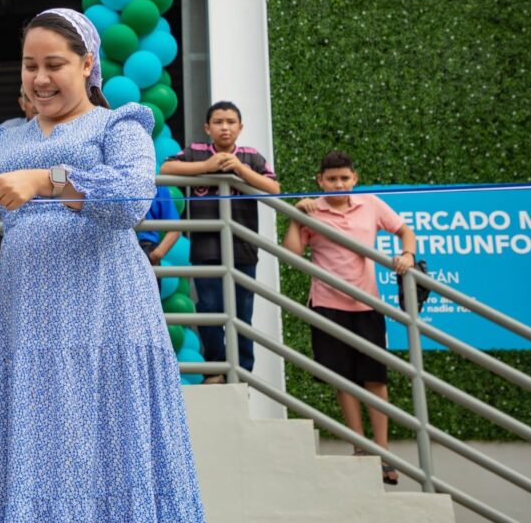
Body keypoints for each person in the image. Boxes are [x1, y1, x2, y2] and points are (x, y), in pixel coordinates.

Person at [0, 8, 203, 520]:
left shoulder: (118, 124)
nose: (39, 79)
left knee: (112, 440)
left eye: (53, 64)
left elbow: (132, 198)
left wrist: (48, 181)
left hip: (108, 312)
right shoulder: (4, 140)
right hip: (27, 320)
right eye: (29, 65)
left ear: (86, 64)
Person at [281, 150, 416, 486]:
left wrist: (407, 254)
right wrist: (296, 216)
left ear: (354, 179)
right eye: (331, 179)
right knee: (343, 380)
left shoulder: (370, 204)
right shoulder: (312, 209)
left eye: (344, 178)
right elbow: (292, 253)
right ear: (320, 181)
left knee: (376, 379)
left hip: (368, 304)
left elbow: (405, 231)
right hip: (327, 305)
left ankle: (383, 453)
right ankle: (360, 448)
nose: (338, 184)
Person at [159, 101, 279, 382]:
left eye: (230, 122)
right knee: (209, 308)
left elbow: (274, 188)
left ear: (240, 127)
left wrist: (240, 170)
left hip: (243, 247)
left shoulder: (251, 156)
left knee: (242, 312)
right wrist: (206, 166)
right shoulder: (196, 152)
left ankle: (242, 371)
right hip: (206, 248)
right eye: (218, 122)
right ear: (207, 128)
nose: (225, 127)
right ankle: (216, 368)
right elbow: (166, 168)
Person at [139, 186, 182, 266]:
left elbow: (175, 229)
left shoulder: (157, 185)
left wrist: (154, 255)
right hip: (122, 246)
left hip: (145, 247)